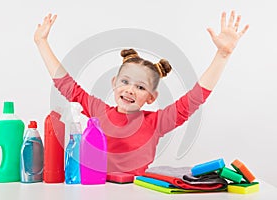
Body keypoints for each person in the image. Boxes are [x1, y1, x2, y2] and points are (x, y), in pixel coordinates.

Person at [34, 11, 249, 175]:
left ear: (151, 97)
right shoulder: (99, 111)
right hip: (95, 189)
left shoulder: (156, 122)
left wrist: (222, 55)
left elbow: (194, 99)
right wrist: (42, 43)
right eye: (125, 82)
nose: (130, 89)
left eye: (140, 87)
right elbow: (67, 86)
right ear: (114, 83)